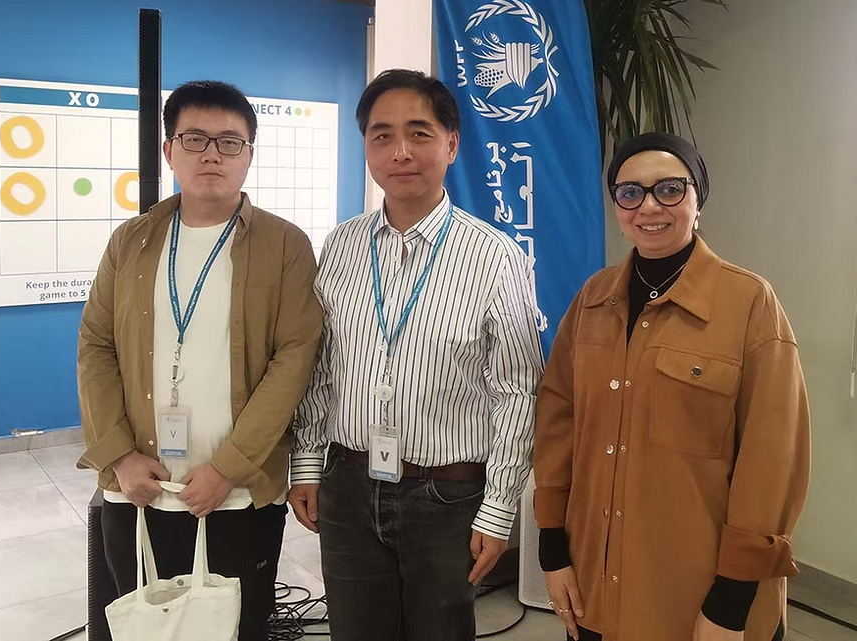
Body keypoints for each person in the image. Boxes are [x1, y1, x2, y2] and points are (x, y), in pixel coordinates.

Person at [288, 69, 544, 641]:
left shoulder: (495, 256)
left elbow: (516, 390)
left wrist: (499, 508)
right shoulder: (340, 245)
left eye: (419, 133)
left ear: (452, 144)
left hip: (446, 497)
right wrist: (306, 465)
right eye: (382, 136)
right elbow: (320, 367)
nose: (400, 152)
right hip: (348, 483)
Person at [533, 132, 811, 641]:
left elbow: (773, 461)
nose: (648, 207)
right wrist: (552, 548)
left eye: (669, 189)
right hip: (594, 587)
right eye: (629, 192)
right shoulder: (592, 300)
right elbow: (557, 425)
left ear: (697, 197)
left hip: (697, 600)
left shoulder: (749, 304)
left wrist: (732, 599)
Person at [76, 80, 323, 641]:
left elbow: (295, 358)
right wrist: (117, 456)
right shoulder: (131, 241)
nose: (212, 153)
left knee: (237, 628)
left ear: (250, 155)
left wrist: (228, 467)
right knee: (142, 626)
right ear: (169, 150)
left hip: (236, 494)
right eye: (194, 138)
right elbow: (95, 346)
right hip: (137, 488)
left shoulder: (285, 246)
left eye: (230, 142)